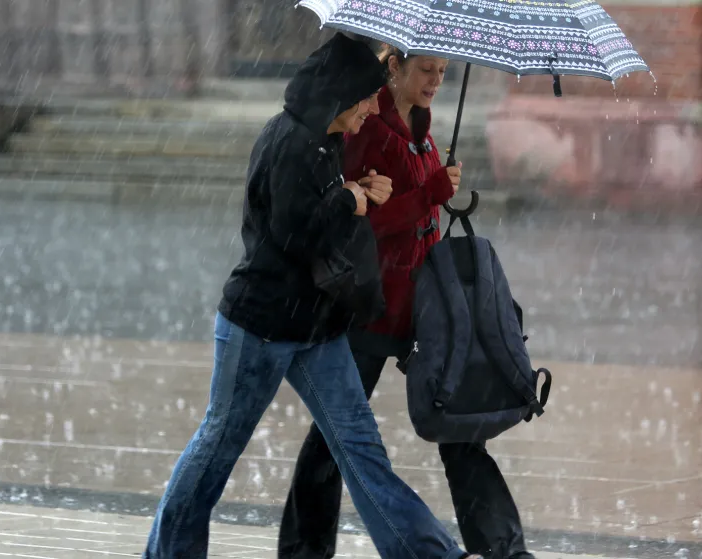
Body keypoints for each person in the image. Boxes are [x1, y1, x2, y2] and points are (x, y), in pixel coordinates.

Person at [143, 34, 477, 559]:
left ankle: (429, 554)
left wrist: (357, 190)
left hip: (318, 330)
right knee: (216, 450)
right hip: (261, 327)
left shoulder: (330, 140)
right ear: (341, 93)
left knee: (360, 450)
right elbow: (292, 237)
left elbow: (329, 218)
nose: (373, 105)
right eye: (366, 97)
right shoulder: (288, 142)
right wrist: (349, 200)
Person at [278, 46, 536, 559]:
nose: (436, 81)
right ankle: (304, 550)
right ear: (393, 67)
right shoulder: (365, 129)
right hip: (371, 308)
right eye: (426, 70)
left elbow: (421, 215)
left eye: (443, 72)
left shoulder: (424, 128)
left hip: (425, 310)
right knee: (336, 437)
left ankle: (505, 548)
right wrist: (429, 194)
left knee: (462, 427)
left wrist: (436, 192)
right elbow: (360, 223)